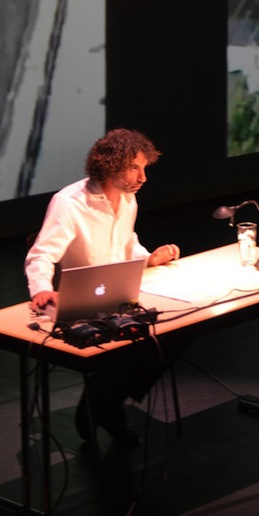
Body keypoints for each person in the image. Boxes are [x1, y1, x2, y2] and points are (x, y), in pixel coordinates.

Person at [25, 128, 181, 446]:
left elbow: (126, 243)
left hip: (120, 296)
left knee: (179, 333)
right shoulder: (70, 203)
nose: (143, 178)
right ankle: (105, 406)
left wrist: (148, 258)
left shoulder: (128, 199)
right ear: (111, 166)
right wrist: (41, 288)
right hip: (85, 304)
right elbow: (41, 254)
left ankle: (102, 400)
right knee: (141, 345)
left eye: (144, 168)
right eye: (134, 168)